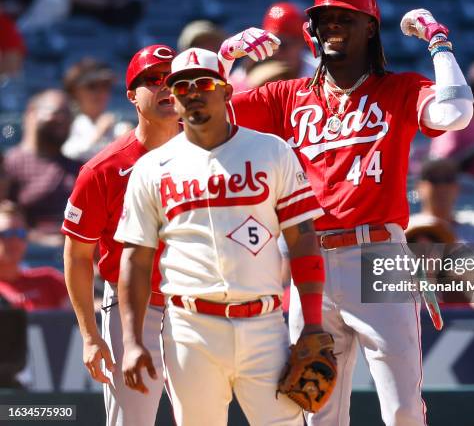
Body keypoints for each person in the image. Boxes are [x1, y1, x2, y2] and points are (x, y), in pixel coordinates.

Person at [222, 0, 474, 425]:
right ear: (311, 30)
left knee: (401, 411)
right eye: (324, 18)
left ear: (370, 28)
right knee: (316, 413)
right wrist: (225, 60)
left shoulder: (398, 89)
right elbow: (207, 121)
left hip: (377, 254)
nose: (333, 25)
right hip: (310, 262)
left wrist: (439, 41)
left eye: (345, 17)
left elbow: (456, 111)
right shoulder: (288, 96)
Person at [114, 48, 328, 426]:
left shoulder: (271, 150)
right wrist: (132, 341)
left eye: (205, 83)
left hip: (264, 325)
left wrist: (311, 322)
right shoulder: (150, 168)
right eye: (181, 85)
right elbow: (135, 256)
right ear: (173, 97)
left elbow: (303, 239)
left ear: (227, 92)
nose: (193, 91)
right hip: (189, 329)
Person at [62, 44, 179, 426]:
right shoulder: (103, 169)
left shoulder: (212, 151)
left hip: (199, 303)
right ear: (131, 95)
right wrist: (90, 336)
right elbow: (78, 255)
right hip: (134, 309)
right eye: (152, 79)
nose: (165, 87)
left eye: (172, 79)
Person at [4, 89, 79, 245]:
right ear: (32, 114)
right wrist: (34, 237)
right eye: (57, 112)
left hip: (70, 254)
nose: (63, 120)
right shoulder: (9, 163)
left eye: (68, 115)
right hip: (23, 257)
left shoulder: (78, 168)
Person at [0, 200, 69, 311]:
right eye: (6, 234)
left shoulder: (49, 280)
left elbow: (82, 313)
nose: (14, 241)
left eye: (20, 234)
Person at [412, 159, 474, 243]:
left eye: (448, 179)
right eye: (435, 179)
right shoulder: (407, 228)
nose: (442, 187)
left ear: (457, 187)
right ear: (419, 187)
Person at [62, 58, 120, 161]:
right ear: (74, 91)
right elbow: (67, 155)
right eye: (91, 86)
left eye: (105, 85)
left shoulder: (117, 126)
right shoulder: (64, 122)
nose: (100, 92)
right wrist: (98, 134)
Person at [262, 2, 318, 80]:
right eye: (269, 45)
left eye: (282, 45)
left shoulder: (320, 74)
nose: (275, 53)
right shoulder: (250, 68)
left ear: (301, 43)